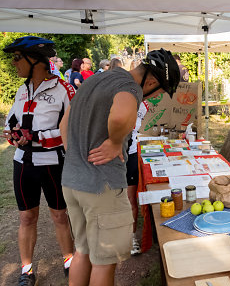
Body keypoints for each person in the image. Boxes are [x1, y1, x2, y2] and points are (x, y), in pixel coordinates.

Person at [60, 48, 180, 286]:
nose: (154, 97)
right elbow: (119, 117)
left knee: (82, 251)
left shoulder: (96, 78)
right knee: (104, 261)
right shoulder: (130, 87)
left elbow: (65, 123)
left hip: (73, 181)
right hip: (102, 187)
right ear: (153, 81)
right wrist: (115, 142)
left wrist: (75, 156)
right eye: (158, 92)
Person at [1, 36, 75, 286]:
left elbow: (73, 131)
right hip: (23, 164)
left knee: (60, 216)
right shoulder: (22, 90)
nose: (13, 64)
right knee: (26, 218)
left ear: (35, 60)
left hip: (53, 164)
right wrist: (13, 134)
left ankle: (69, 261)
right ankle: (26, 270)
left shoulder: (64, 89)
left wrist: (36, 137)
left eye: (17, 58)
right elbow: (12, 119)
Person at [126, 100, 148, 255]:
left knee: (130, 199)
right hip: (111, 156)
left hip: (131, 153)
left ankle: (131, 238)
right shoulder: (114, 96)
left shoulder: (144, 105)